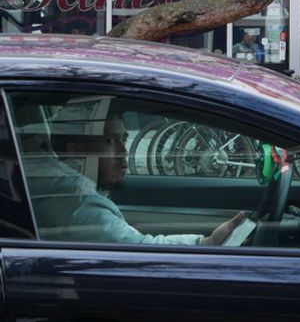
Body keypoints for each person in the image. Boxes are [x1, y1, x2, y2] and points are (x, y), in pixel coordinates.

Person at [23, 104, 243, 245]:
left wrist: (205, 242)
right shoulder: (73, 199)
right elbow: (140, 250)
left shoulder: (65, 189)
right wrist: (206, 244)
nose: (123, 151)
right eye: (109, 141)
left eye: (124, 139)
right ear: (75, 151)